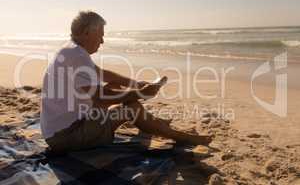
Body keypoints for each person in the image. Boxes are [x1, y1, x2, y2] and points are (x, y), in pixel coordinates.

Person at [40, 11, 212, 153]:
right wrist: (139, 93)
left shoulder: (72, 50)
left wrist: (135, 84)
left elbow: (103, 74)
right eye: (100, 35)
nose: (102, 41)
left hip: (62, 128)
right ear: (87, 33)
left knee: (120, 92)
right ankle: (180, 137)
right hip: (67, 136)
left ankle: (153, 123)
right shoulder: (77, 55)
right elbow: (100, 98)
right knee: (132, 107)